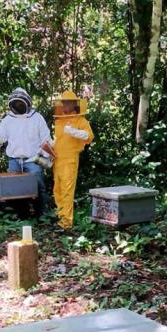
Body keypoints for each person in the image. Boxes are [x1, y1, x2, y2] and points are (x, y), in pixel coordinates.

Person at [0, 88, 51, 216]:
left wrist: (47, 158)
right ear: (12, 104)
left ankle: (41, 215)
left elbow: (46, 139)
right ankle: (22, 216)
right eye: (16, 104)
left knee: (38, 187)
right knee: (15, 190)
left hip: (34, 159)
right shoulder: (7, 119)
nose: (18, 105)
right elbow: (1, 138)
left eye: (20, 103)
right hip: (14, 160)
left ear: (27, 103)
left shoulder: (37, 118)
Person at [52, 90, 94, 229]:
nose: (66, 104)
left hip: (70, 160)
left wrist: (74, 132)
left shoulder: (81, 120)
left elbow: (89, 137)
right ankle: (60, 218)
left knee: (67, 191)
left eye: (69, 102)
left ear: (75, 103)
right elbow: (59, 140)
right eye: (64, 102)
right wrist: (49, 147)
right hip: (57, 160)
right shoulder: (59, 120)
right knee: (57, 190)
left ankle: (66, 223)